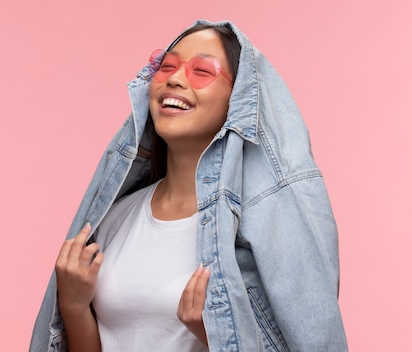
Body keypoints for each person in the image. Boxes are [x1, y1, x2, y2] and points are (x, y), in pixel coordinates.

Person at [30, 19, 348, 351]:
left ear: (238, 101)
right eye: (166, 67)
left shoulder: (264, 233)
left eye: (202, 72)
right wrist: (74, 307)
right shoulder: (115, 216)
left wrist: (217, 339)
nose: (176, 79)